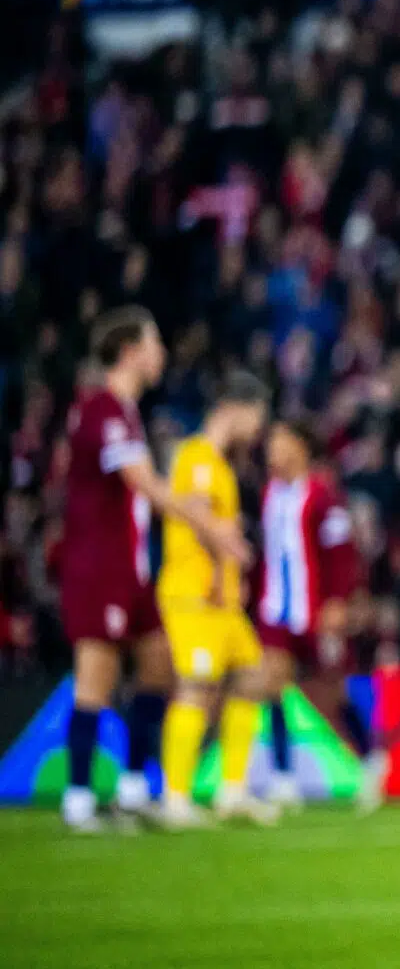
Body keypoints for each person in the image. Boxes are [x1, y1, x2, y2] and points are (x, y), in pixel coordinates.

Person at [53, 308, 254, 834]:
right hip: (100, 564)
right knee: (96, 673)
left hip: (131, 567)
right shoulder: (103, 409)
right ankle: (78, 800)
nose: (162, 353)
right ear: (130, 352)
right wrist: (210, 526)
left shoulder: (123, 411)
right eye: (155, 342)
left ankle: (135, 788)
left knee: (159, 661)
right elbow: (144, 484)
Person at [156, 373, 276, 828]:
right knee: (196, 687)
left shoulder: (220, 464)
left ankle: (232, 790)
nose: (258, 429)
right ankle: (175, 797)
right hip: (195, 595)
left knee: (252, 675)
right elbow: (200, 515)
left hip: (221, 599)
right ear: (235, 407)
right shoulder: (198, 457)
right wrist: (233, 551)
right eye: (257, 417)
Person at [258, 420, 378, 812]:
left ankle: (372, 760)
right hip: (276, 609)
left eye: (280, 441)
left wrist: (340, 601)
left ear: (300, 447)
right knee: (272, 684)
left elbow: (341, 552)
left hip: (316, 609)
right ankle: (282, 776)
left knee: (333, 691)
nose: (273, 450)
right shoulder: (269, 494)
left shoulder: (323, 494)